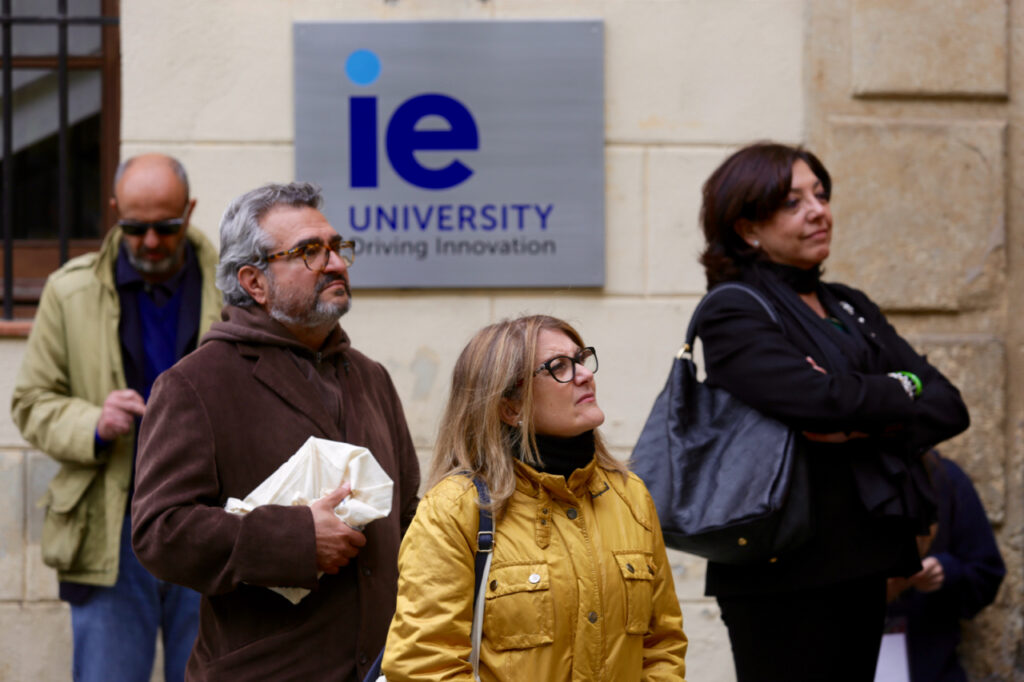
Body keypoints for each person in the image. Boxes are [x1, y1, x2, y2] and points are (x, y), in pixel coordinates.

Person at [692, 142, 970, 681]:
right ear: (748, 228)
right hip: (782, 565)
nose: (818, 210)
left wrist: (865, 408)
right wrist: (889, 393)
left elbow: (948, 404)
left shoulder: (850, 306)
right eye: (793, 202)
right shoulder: (735, 309)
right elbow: (821, 404)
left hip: (866, 554)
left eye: (820, 194)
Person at [130, 182, 420, 681]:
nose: (335, 264)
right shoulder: (194, 384)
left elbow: (410, 515)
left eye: (335, 247)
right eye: (309, 252)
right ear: (254, 282)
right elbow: (160, 532)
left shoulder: (371, 376)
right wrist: (296, 539)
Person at [382, 315, 688, 681]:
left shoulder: (630, 497)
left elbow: (662, 646)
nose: (584, 374)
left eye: (581, 358)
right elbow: (425, 665)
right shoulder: (455, 509)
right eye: (558, 367)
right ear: (511, 408)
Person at [10, 153, 220, 681]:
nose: (150, 241)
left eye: (166, 227)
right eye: (134, 226)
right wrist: (93, 424)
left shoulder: (234, 287)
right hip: (109, 529)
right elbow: (31, 401)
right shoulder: (68, 289)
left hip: (211, 525)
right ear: (113, 212)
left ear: (190, 211)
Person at [884, 450, 1005, 682]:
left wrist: (945, 571)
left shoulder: (944, 478)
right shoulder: (830, 480)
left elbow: (986, 574)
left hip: (930, 666)